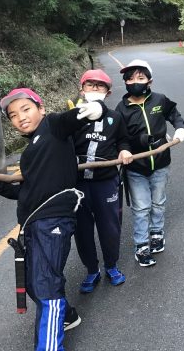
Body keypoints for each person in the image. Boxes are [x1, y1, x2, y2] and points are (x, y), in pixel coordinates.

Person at [0, 87, 105, 351]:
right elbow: (24, 192)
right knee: (34, 283)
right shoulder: (30, 152)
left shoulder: (53, 126)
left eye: (26, 109)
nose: (20, 117)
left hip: (54, 220)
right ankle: (67, 316)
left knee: (45, 286)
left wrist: (93, 109)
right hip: (32, 224)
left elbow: (74, 118)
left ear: (41, 109)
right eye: (13, 115)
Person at [115, 59, 184, 267]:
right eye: (130, 79)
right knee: (141, 207)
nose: (135, 82)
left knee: (158, 202)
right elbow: (120, 137)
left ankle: (157, 233)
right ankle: (141, 245)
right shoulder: (121, 109)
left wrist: (180, 128)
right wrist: (124, 149)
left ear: (149, 81)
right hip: (135, 167)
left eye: (140, 78)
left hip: (161, 163)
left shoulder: (159, 100)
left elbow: (174, 114)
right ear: (125, 82)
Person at [69, 69, 133, 292]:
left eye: (100, 86)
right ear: (82, 90)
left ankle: (111, 266)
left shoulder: (115, 117)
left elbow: (123, 140)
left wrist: (124, 150)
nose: (95, 89)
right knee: (82, 230)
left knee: (110, 227)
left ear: (108, 92)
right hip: (78, 185)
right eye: (90, 85)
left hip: (106, 183)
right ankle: (91, 270)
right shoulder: (72, 117)